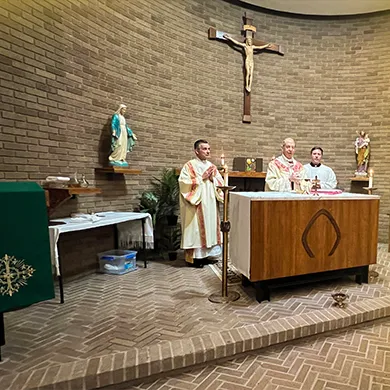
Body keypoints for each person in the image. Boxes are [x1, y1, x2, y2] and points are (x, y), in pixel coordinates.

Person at [179, 140, 224, 268]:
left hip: (210, 203)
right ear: (196, 151)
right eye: (204, 149)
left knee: (209, 229)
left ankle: (205, 256)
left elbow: (220, 183)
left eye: (209, 149)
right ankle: (195, 259)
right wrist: (201, 178)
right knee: (196, 231)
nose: (208, 151)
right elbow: (184, 183)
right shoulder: (189, 166)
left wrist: (213, 179)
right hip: (196, 203)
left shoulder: (212, 166)